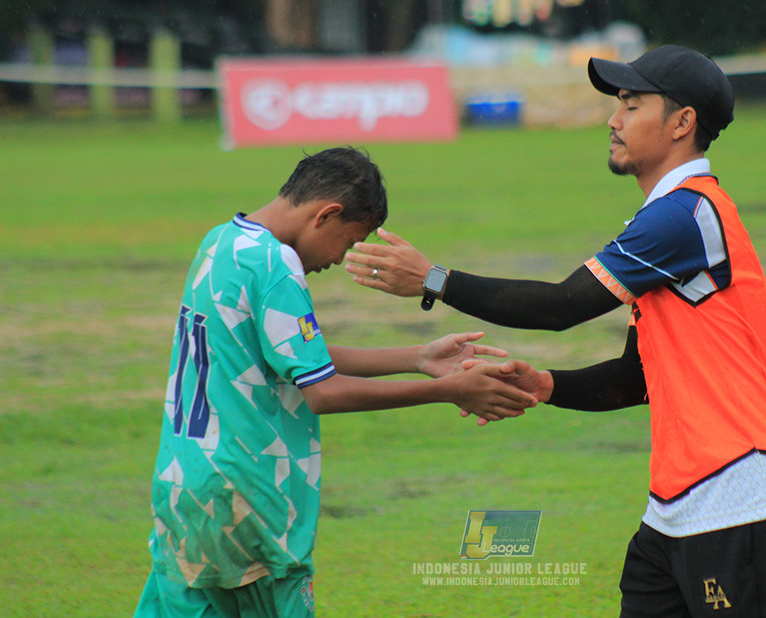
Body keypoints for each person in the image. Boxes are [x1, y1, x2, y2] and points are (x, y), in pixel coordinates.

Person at [344, 46, 766, 617]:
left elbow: (563, 304)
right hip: (678, 504)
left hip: (744, 493)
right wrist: (545, 384)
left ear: (682, 123)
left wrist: (435, 279)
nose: (614, 120)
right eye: (618, 104)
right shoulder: (667, 219)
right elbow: (634, 378)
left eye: (632, 105)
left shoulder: (686, 214)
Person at [134, 147, 536, 618]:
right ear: (328, 214)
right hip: (246, 499)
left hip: (184, 488)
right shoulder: (276, 263)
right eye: (349, 241)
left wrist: (419, 357)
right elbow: (322, 392)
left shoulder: (222, 242)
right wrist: (447, 390)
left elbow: (291, 356)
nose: (339, 258)